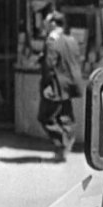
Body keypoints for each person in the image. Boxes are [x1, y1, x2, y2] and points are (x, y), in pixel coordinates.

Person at [38, 11, 84, 162]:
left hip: (57, 84)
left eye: (46, 21)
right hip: (70, 84)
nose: (44, 24)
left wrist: (46, 85)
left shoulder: (51, 41)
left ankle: (62, 143)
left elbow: (49, 65)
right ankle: (67, 141)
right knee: (65, 115)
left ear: (52, 24)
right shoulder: (71, 39)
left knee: (45, 116)